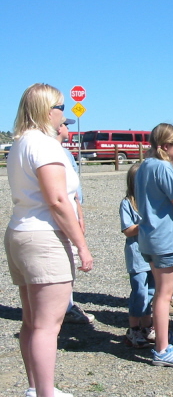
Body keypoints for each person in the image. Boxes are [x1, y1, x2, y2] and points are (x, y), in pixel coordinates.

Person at [5, 83, 93, 397]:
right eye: (60, 107)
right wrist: (81, 243)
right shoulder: (44, 145)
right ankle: (45, 391)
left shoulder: (20, 143)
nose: (63, 115)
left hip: (21, 231)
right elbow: (57, 200)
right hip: (44, 237)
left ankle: (36, 387)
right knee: (47, 324)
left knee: (32, 320)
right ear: (47, 109)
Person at [135, 123, 173, 368]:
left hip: (149, 236)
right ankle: (161, 349)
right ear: (165, 146)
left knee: (158, 291)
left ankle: (162, 336)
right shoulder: (162, 168)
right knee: (164, 295)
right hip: (165, 239)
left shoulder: (144, 166)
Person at [55, 118, 95, 325]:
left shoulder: (67, 153)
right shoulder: (53, 153)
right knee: (63, 261)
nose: (67, 129)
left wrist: (80, 214)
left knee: (68, 260)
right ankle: (64, 308)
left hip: (70, 212)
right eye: (64, 125)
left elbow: (75, 194)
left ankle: (67, 304)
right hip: (60, 217)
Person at [120, 163, 156, 348]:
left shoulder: (152, 201)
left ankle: (147, 326)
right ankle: (133, 329)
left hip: (152, 254)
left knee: (151, 292)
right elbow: (127, 230)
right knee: (139, 292)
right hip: (137, 255)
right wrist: (146, 225)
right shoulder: (127, 203)